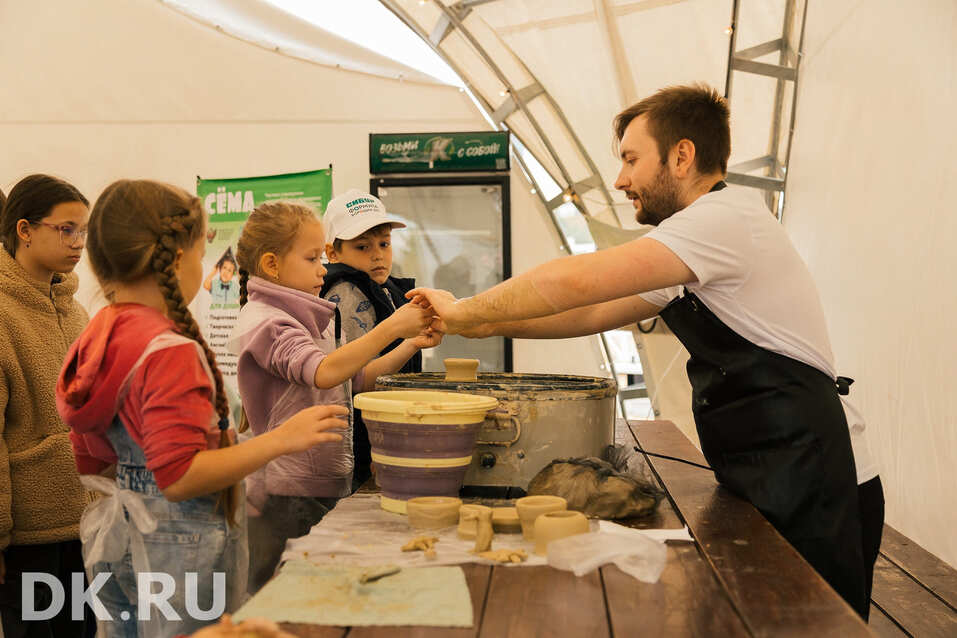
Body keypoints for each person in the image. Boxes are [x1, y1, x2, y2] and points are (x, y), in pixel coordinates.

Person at [409, 84, 883, 619]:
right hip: (776, 470)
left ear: (682, 156)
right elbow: (587, 314)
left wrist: (468, 310)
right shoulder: (691, 243)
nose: (620, 180)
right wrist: (472, 326)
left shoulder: (722, 221)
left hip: (821, 477)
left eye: (631, 159)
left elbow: (575, 283)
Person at [56, 180, 347, 637]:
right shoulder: (168, 350)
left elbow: (93, 453)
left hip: (124, 533)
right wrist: (279, 440)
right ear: (175, 260)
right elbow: (180, 476)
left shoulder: (101, 331)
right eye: (201, 250)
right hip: (180, 545)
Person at [232, 200, 441, 593]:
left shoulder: (312, 315)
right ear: (273, 265)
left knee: (320, 593)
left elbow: (355, 378)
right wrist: (392, 326)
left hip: (325, 483)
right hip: (287, 491)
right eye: (312, 259)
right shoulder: (267, 322)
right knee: (283, 600)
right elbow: (323, 371)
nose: (323, 270)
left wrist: (411, 343)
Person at [0, 174, 95, 638]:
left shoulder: (77, 311)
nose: (79, 243)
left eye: (84, 231)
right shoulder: (2, 313)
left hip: (84, 521)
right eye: (66, 229)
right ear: (24, 230)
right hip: (26, 534)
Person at [320, 189, 421, 489]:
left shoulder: (386, 287)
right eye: (362, 247)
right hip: (363, 441)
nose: (377, 254)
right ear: (333, 253)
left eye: (384, 244)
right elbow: (358, 381)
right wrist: (413, 342)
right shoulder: (346, 295)